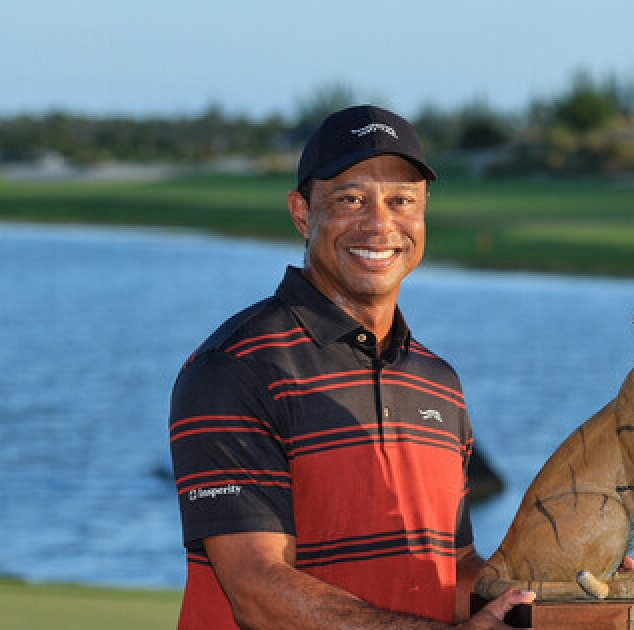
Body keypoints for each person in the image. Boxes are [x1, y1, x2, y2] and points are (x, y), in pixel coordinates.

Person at [168, 105, 532, 629]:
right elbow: (257, 591)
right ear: (301, 212)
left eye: (401, 200)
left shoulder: (438, 383)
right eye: (350, 199)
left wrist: (566, 592)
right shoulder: (234, 368)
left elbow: (452, 573)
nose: (380, 224)